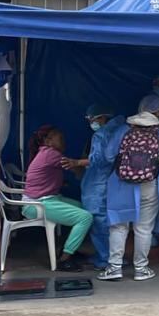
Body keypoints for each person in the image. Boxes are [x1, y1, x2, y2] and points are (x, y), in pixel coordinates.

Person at [98, 95, 159, 282]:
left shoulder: (123, 130)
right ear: (158, 113)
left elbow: (109, 155)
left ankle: (114, 268)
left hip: (121, 184)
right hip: (150, 185)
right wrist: (154, 169)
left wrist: (127, 168)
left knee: (119, 226)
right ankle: (141, 269)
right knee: (144, 228)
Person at [60, 105, 123, 270]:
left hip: (98, 184)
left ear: (102, 118)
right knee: (109, 223)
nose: (91, 123)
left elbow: (99, 159)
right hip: (108, 182)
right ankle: (111, 256)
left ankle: (106, 259)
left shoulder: (102, 135)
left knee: (98, 223)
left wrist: (77, 163)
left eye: (92, 119)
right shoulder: (120, 130)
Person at [23, 126, 94, 272]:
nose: (64, 141)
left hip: (47, 199)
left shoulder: (46, 153)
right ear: (48, 141)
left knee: (82, 207)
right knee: (85, 217)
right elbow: (76, 169)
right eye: (60, 138)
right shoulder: (51, 154)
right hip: (37, 205)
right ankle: (64, 260)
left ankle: (69, 249)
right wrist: (87, 161)